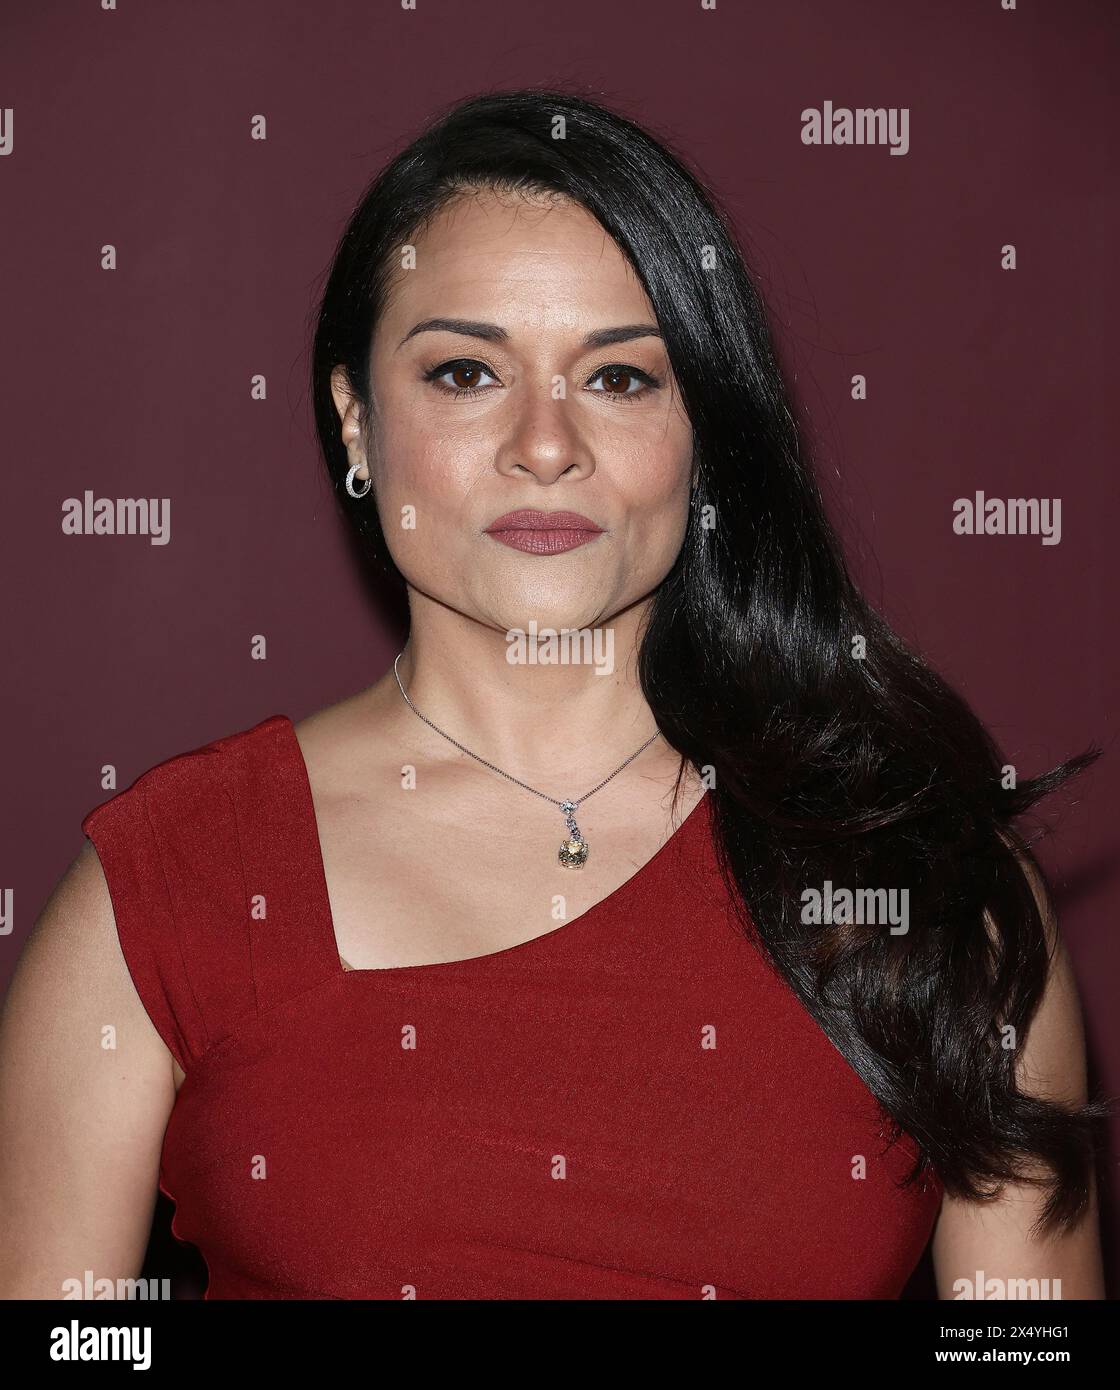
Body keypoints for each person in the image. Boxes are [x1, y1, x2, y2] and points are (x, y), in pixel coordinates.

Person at [0, 88, 1108, 1300]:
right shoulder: (170, 879)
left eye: (622, 378)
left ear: (706, 435)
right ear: (354, 420)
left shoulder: (927, 877)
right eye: (467, 370)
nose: (545, 443)